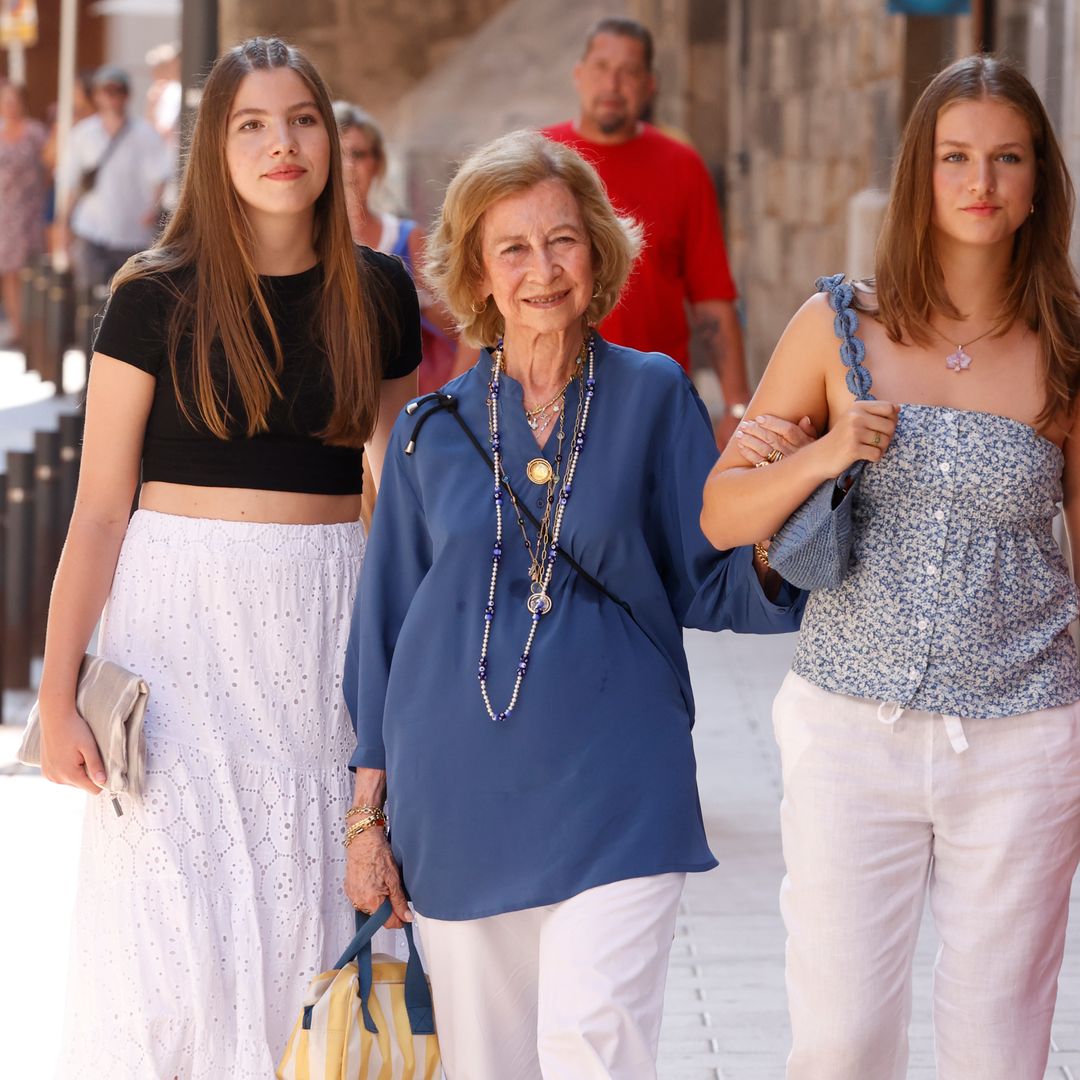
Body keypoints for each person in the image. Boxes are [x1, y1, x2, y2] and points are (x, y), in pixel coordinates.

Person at [341, 129, 804, 1080]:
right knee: (491, 1066)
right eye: (512, 248)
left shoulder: (653, 396)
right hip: (457, 801)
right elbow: (384, 630)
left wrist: (785, 519)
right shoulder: (431, 432)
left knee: (593, 1051)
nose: (542, 269)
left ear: (597, 252)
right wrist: (364, 822)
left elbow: (706, 577)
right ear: (476, 270)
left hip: (619, 789)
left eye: (562, 241)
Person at [36, 37, 420, 1076]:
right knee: (173, 926)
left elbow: (403, 499)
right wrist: (57, 694)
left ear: (332, 143)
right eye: (250, 124)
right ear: (214, 146)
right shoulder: (152, 296)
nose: (280, 144)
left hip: (319, 629)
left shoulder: (378, 293)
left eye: (301, 119)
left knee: (305, 909)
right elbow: (99, 512)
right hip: (178, 637)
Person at [700, 55, 1080, 1079]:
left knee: (997, 1050)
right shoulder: (838, 327)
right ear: (920, 172)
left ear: (1040, 178)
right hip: (847, 734)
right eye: (957, 157)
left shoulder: (1067, 348)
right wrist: (827, 450)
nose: (982, 183)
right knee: (839, 1043)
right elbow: (725, 514)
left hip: (1025, 733)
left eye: (1008, 159)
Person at [543, 16, 751, 442]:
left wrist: (737, 406)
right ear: (579, 75)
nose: (613, 84)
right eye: (602, 67)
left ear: (650, 84)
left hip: (651, 399)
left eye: (629, 72)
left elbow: (712, 299)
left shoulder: (682, 167)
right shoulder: (540, 160)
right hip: (546, 394)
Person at [333, 99, 463, 395]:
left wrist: (416, 298)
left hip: (403, 399)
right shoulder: (302, 243)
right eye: (339, 154)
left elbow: (461, 326)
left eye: (358, 154)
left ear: (376, 163)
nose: (348, 166)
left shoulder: (407, 237)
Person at [56, 65, 170, 300]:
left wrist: (153, 209)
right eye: (104, 91)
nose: (110, 97)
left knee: (125, 299)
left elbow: (159, 176)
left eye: (116, 91)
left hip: (131, 234)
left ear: (126, 95)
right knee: (89, 298)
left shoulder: (144, 134)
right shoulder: (82, 134)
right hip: (91, 229)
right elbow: (70, 183)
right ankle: (87, 337)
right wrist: (63, 225)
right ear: (96, 96)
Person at [0, 81, 47, 344]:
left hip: (30, 210)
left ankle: (33, 328)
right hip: (5, 212)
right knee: (9, 272)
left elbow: (50, 165)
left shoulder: (34, 132)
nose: (10, 105)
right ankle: (17, 327)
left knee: (29, 270)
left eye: (14, 100)